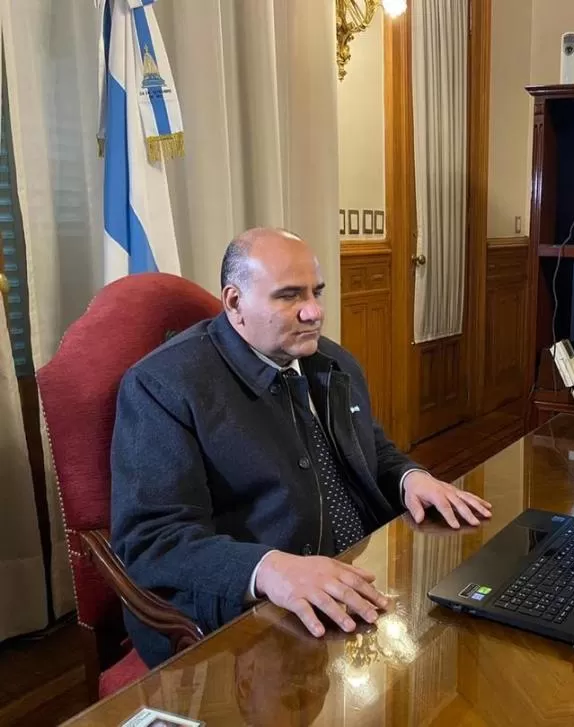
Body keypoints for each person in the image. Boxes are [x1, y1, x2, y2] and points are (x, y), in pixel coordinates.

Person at [111, 227, 492, 667]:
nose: (313, 312)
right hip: (264, 614)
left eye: (317, 292)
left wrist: (411, 476)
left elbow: (369, 445)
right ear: (235, 303)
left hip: (373, 568)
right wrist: (269, 569)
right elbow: (151, 539)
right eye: (289, 296)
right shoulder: (162, 386)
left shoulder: (330, 359)